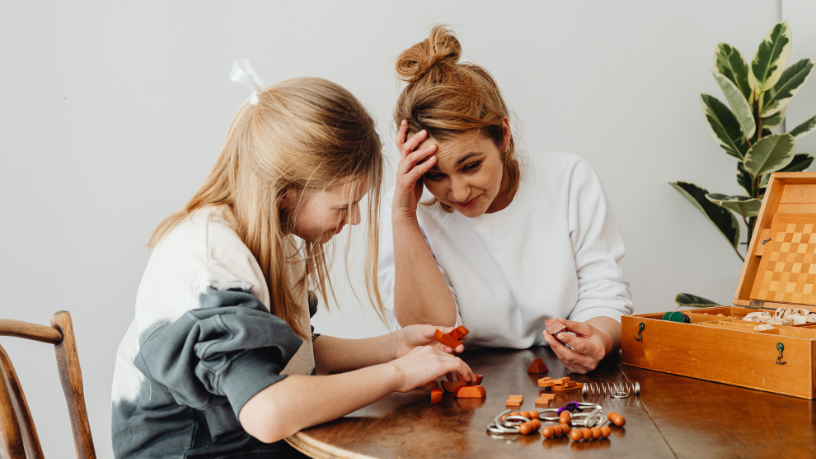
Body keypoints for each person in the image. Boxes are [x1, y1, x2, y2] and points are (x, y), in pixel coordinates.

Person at [111, 60, 472, 458]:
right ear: (286, 192)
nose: (352, 219)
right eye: (343, 205)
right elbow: (266, 410)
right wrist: (399, 374)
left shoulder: (267, 234)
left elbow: (289, 356)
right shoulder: (213, 263)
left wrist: (391, 347)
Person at [379, 27, 634, 374]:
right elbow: (431, 334)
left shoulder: (569, 178)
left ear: (504, 136)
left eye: (471, 166)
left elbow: (604, 290)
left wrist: (599, 338)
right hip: (462, 377)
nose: (459, 192)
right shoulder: (408, 207)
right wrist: (404, 216)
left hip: (562, 375)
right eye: (435, 175)